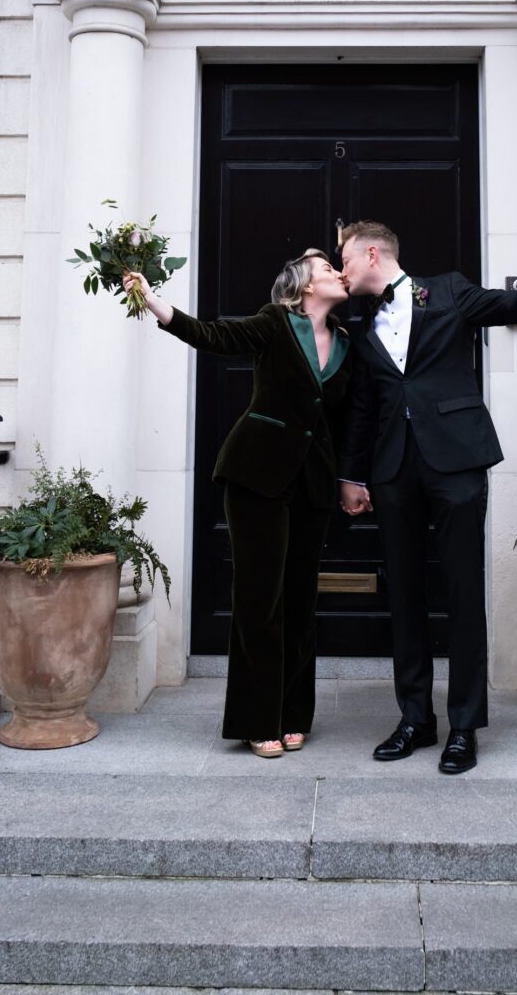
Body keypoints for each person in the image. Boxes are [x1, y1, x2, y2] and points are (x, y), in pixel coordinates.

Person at [337, 221, 517, 774]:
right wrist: (351, 476)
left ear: (370, 252)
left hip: (456, 464)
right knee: (403, 594)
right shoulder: (362, 322)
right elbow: (361, 407)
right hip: (393, 469)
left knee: (463, 590)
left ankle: (464, 727)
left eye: (345, 259)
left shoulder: (448, 290)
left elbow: (514, 304)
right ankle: (415, 720)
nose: (341, 269)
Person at [123, 251, 351, 758]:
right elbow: (215, 337)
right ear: (304, 285)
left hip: (312, 483)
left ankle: (293, 713)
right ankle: (256, 718)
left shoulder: (346, 342)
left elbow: (344, 416)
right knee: (259, 599)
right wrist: (154, 302)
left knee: (299, 601)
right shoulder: (275, 323)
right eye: (327, 268)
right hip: (256, 473)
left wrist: (349, 479)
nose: (338, 271)